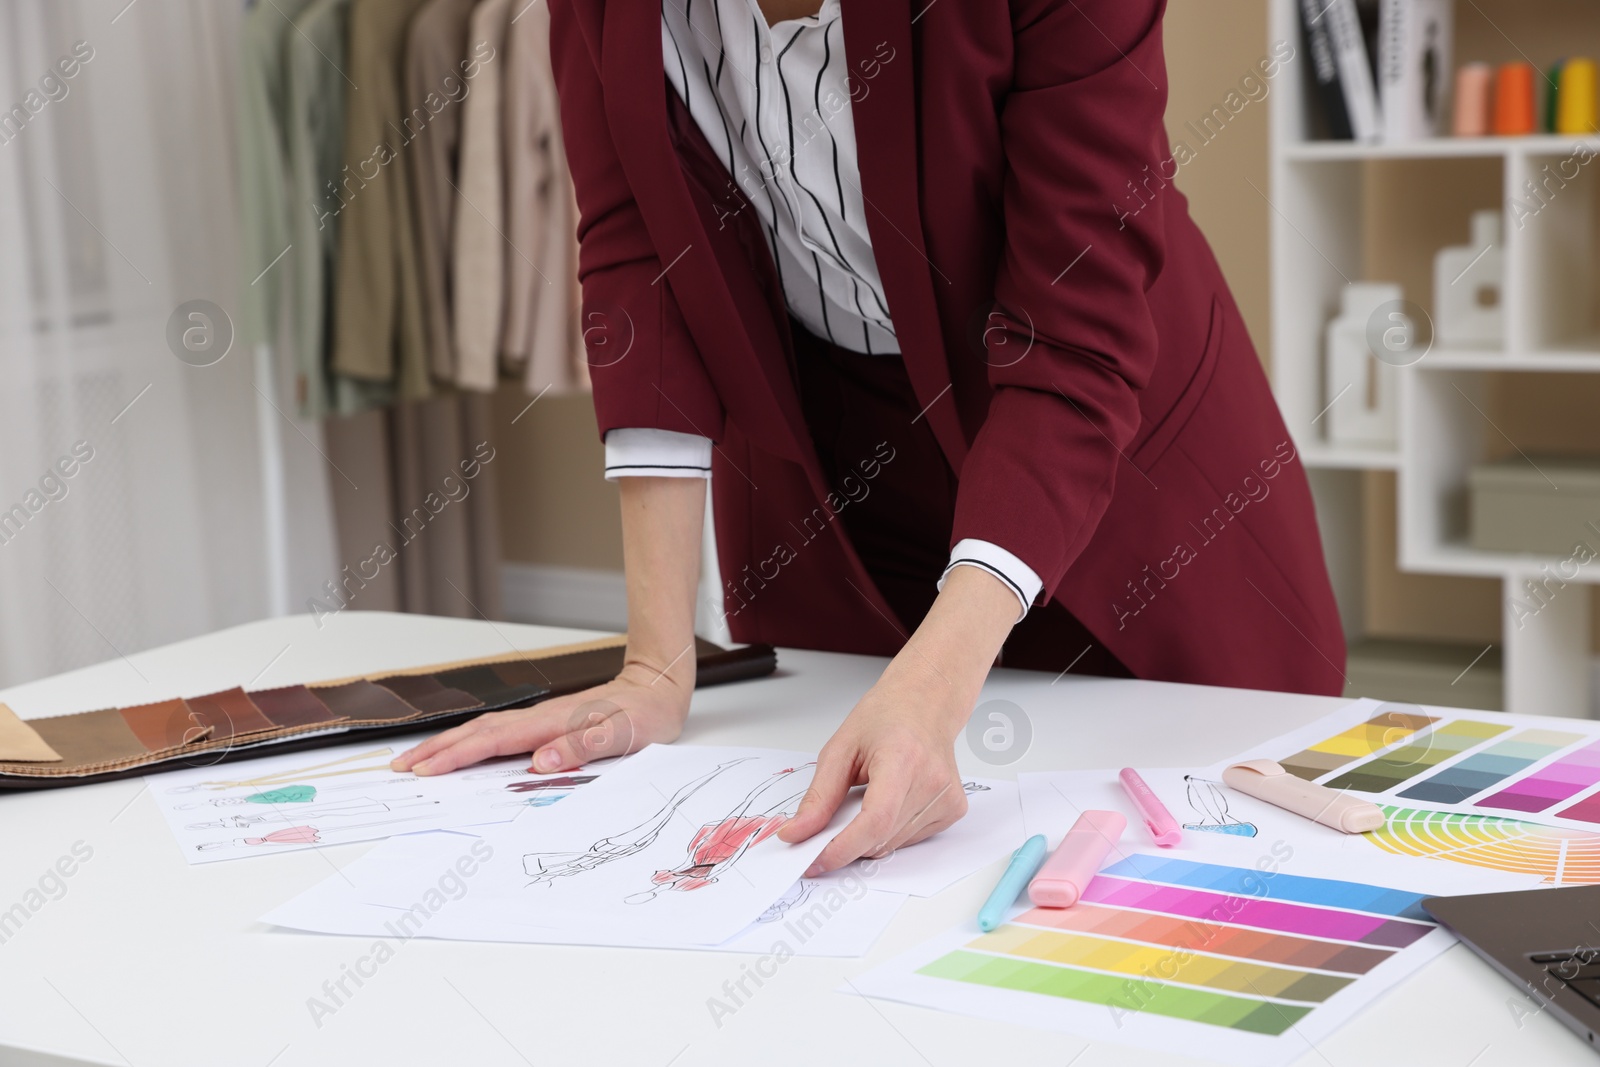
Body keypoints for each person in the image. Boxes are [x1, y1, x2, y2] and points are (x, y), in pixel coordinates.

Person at [395, 0, 1344, 878]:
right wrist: (655, 666)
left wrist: (934, 688)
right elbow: (639, 252)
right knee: (856, 880)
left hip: (1115, 456)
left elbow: (1075, 327)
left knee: (1193, 860)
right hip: (828, 460)